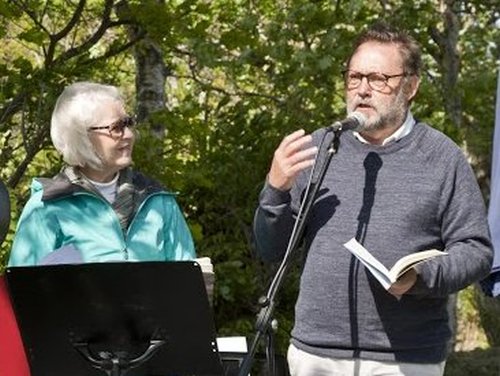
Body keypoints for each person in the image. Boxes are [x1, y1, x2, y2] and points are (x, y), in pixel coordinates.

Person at [253, 23, 493, 376]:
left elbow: (476, 251)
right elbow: (271, 249)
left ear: (410, 86)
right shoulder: (320, 148)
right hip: (316, 354)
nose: (363, 89)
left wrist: (421, 277)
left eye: (378, 79)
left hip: (405, 357)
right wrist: (275, 188)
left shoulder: (442, 156)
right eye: (354, 77)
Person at [8, 81, 195, 266]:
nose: (129, 135)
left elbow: (189, 282)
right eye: (116, 128)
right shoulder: (46, 207)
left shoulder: (157, 200)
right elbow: (22, 290)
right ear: (81, 136)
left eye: (128, 123)